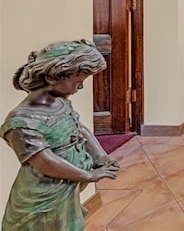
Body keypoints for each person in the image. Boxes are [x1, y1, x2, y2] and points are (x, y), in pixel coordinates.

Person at [1, 39, 120, 231]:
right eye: (78, 82)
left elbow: (80, 129)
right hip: (42, 197)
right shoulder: (21, 121)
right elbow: (44, 161)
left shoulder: (61, 103)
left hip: (66, 187)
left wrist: (100, 156)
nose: (79, 88)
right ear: (54, 77)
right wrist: (87, 175)